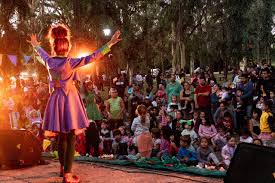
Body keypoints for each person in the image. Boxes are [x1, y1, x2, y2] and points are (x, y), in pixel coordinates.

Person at [27, 24, 121, 182]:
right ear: (67, 46)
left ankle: (63, 168)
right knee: (70, 136)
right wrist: (110, 43)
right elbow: (93, 56)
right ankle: (68, 174)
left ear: (54, 46)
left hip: (56, 99)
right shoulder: (71, 62)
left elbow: (40, 52)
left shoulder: (49, 61)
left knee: (61, 137)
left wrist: (35, 44)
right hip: (70, 99)